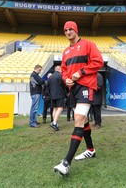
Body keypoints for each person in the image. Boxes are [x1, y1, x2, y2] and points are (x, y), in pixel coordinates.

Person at [53, 21, 104, 176]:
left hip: (86, 86)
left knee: (79, 118)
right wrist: (66, 79)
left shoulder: (88, 44)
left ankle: (66, 162)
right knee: (84, 121)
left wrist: (81, 72)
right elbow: (63, 70)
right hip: (73, 89)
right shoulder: (65, 52)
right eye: (65, 30)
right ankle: (90, 150)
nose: (68, 32)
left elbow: (98, 62)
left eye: (70, 29)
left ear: (76, 30)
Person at [49, 65, 66, 131]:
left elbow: (48, 86)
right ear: (59, 69)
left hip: (52, 95)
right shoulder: (60, 76)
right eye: (61, 70)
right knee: (60, 108)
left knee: (55, 108)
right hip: (59, 95)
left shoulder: (50, 77)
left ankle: (55, 122)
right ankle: (54, 122)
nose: (62, 71)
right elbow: (63, 85)